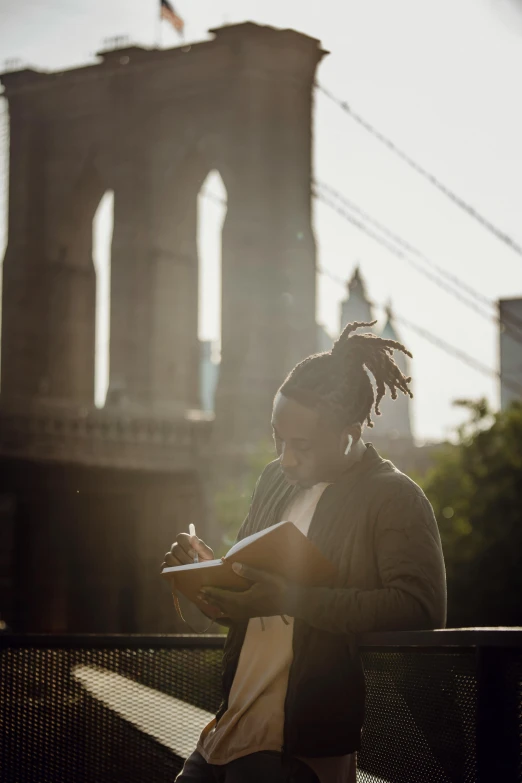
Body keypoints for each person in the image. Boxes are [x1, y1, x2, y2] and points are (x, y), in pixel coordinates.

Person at [163, 320, 447, 783]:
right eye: (278, 437)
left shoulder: (395, 496)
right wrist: (204, 576)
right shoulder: (275, 480)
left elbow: (419, 607)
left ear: (349, 434)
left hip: (300, 751)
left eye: (302, 445)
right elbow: (249, 602)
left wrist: (290, 598)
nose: (285, 457)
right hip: (225, 731)